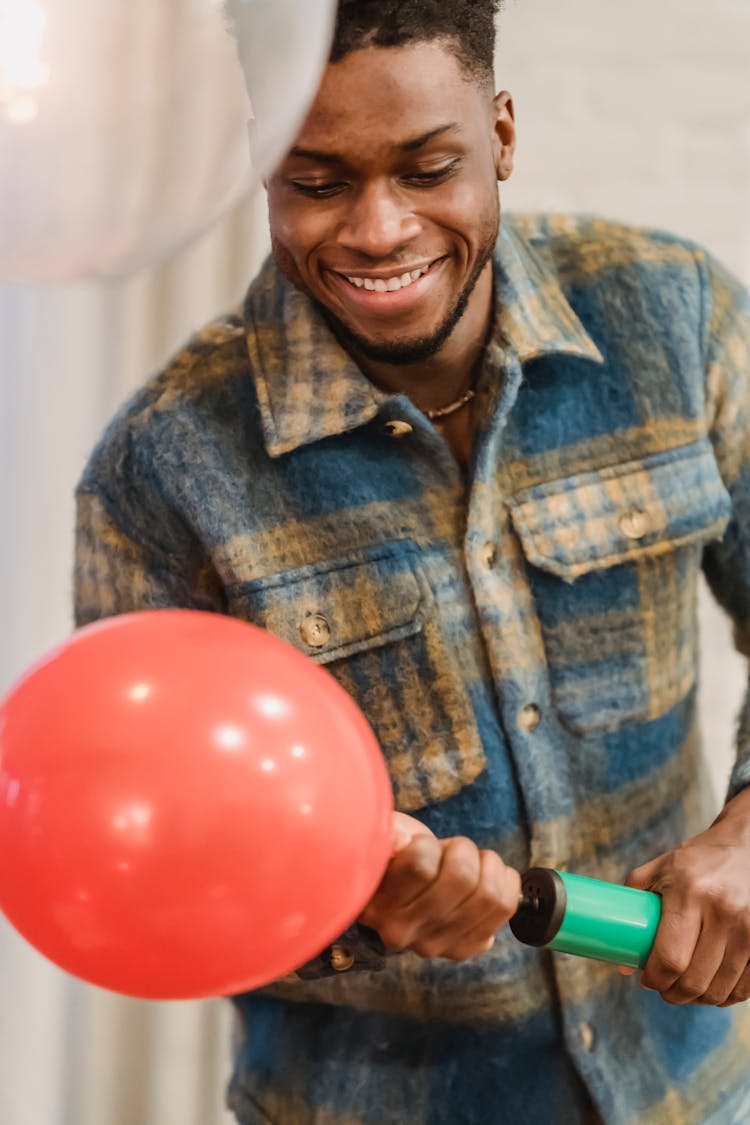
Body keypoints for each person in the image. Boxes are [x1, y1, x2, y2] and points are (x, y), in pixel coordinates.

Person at [74, 1, 750, 1121]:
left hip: (694, 1093)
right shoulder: (162, 467)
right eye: (319, 180)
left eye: (430, 168)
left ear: (504, 136)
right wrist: (349, 914)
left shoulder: (676, 317)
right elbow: (148, 872)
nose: (378, 231)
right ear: (259, 164)